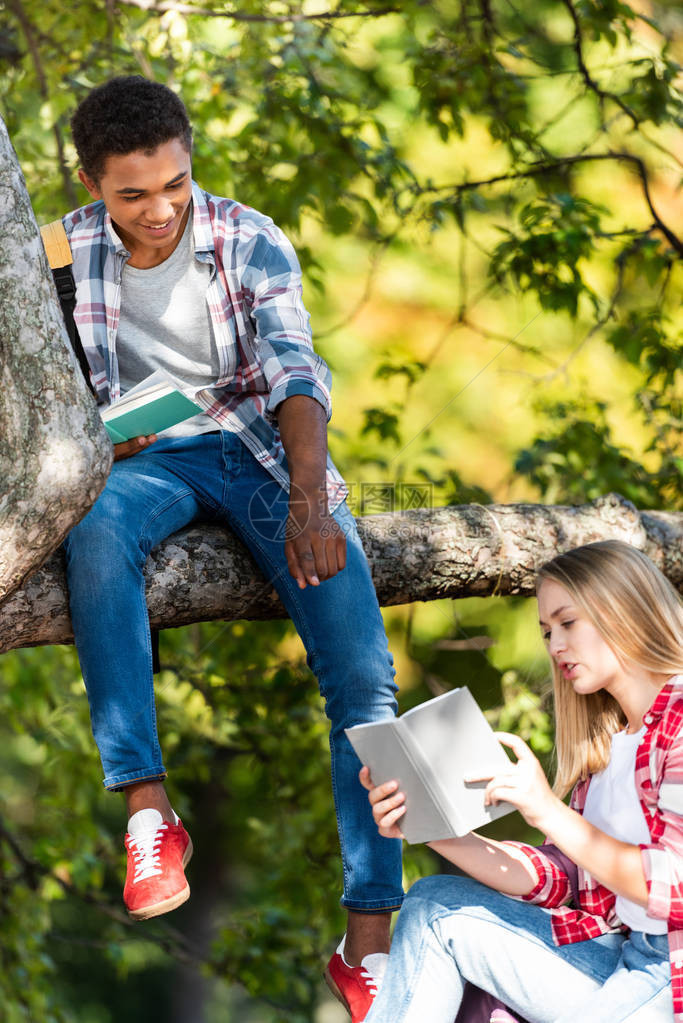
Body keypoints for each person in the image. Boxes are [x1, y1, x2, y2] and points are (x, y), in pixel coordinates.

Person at [56, 75, 401, 1018]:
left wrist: (309, 504)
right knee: (94, 534)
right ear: (89, 181)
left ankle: (368, 939)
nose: (160, 209)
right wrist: (95, 440)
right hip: (144, 463)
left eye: (174, 182)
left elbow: (295, 368)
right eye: (133, 193)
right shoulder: (54, 250)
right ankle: (148, 811)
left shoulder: (247, 232)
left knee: (363, 680)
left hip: (256, 451)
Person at [360, 540, 683, 1023]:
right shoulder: (607, 747)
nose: (555, 646)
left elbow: (674, 883)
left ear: (624, 610)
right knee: (433, 905)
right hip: (620, 958)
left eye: (568, 622)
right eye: (547, 631)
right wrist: (431, 827)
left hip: (670, 972)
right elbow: (562, 877)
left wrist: (545, 808)